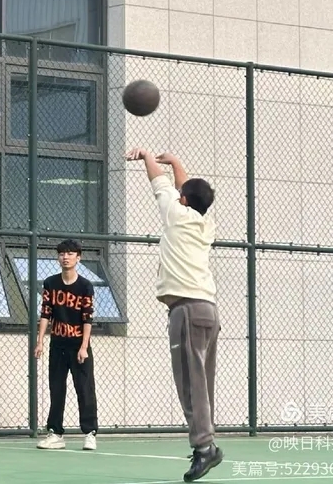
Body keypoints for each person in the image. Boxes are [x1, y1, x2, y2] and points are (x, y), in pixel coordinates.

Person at [125, 148, 223, 482]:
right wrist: (178, 163)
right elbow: (186, 189)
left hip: (187, 310)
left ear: (182, 200)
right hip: (208, 309)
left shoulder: (175, 214)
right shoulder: (205, 223)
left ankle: (204, 448)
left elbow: (159, 182)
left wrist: (146, 156)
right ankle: (207, 442)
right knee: (203, 383)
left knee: (190, 384)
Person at [34, 239, 98, 451]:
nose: (65, 257)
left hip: (78, 345)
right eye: (62, 254)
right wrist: (40, 341)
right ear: (58, 257)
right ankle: (55, 433)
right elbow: (46, 313)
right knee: (56, 389)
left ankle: (90, 433)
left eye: (70, 254)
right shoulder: (50, 283)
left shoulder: (85, 286)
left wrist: (84, 346)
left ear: (78, 258)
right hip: (58, 345)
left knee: (85, 389)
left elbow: (87, 318)